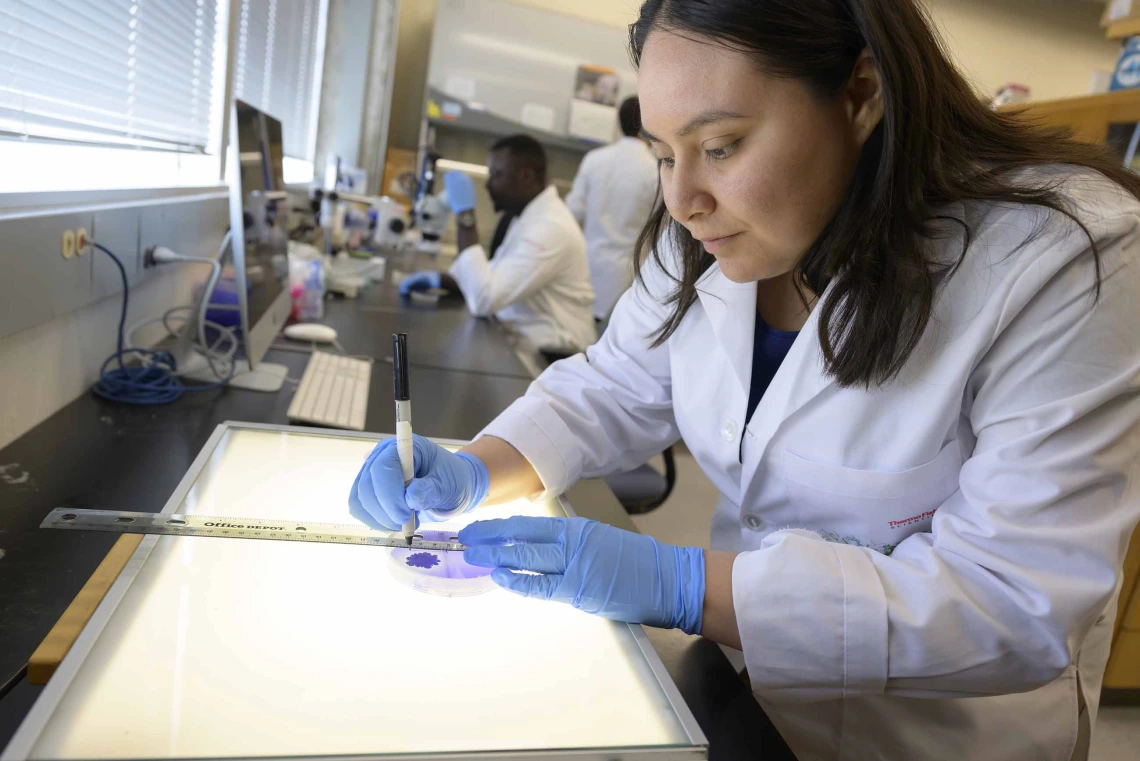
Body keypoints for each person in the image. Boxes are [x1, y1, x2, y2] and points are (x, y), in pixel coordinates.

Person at [351, 1, 1140, 758]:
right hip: (740, 680)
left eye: (720, 145)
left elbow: (1011, 601)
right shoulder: (704, 234)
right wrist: (473, 467)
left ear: (861, 92)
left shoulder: (1065, 256)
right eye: (663, 153)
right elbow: (614, 383)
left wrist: (684, 585)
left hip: (934, 733)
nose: (682, 198)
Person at [400, 134, 596, 354]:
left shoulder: (551, 228)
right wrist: (442, 280)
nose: (488, 185)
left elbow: (484, 299)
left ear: (526, 176)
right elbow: (493, 277)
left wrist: (466, 217)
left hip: (555, 358)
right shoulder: (527, 217)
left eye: (496, 174)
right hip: (524, 343)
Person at [565, 96, 660, 321]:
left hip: (584, 272)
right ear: (649, 124)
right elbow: (661, 231)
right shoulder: (655, 171)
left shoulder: (594, 159)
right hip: (625, 279)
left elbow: (572, 211)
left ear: (618, 123)